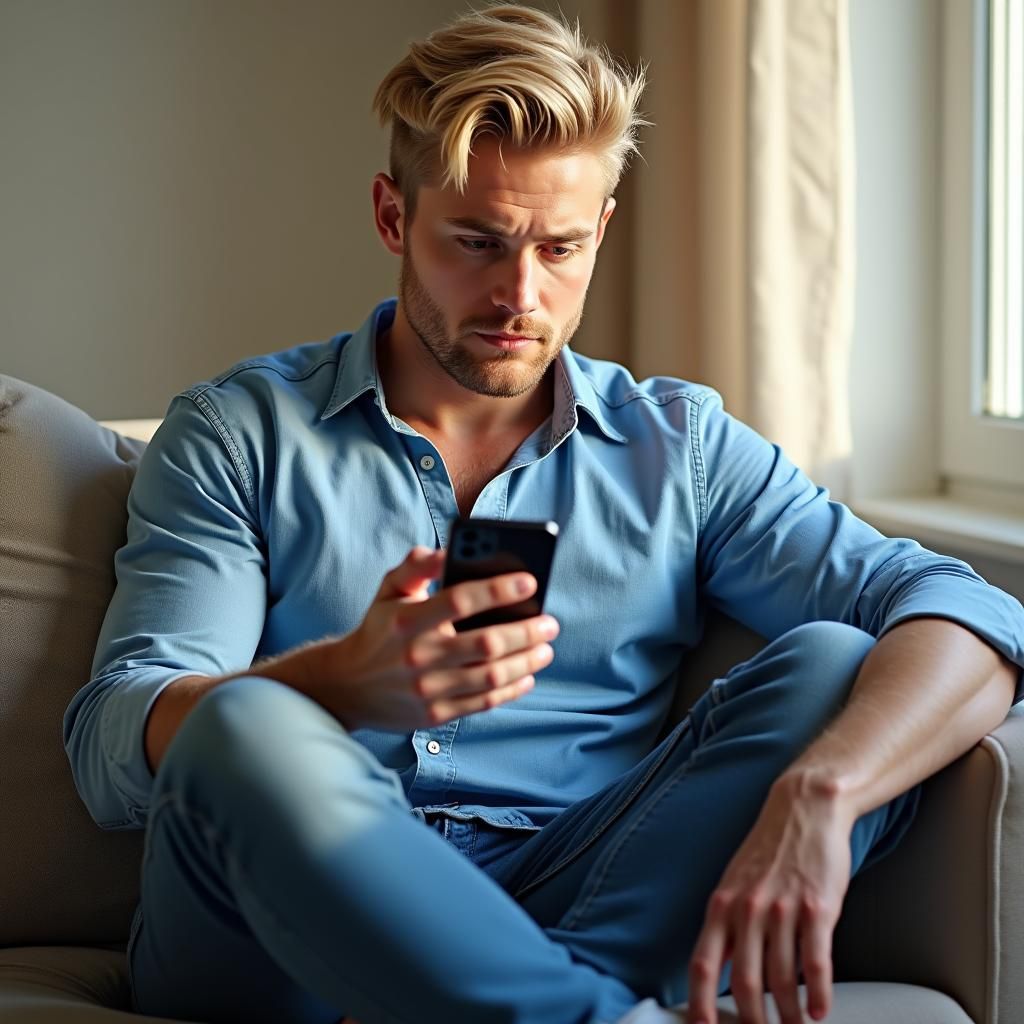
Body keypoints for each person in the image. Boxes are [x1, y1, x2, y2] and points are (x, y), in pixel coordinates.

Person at [63, 5, 1024, 1024]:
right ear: (394, 218)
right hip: (284, 935)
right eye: (476, 242)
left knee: (835, 663)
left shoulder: (681, 447)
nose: (520, 294)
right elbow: (115, 736)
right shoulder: (239, 431)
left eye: (560, 248)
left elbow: (967, 612)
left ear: (602, 229)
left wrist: (820, 795)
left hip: (575, 900)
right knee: (240, 718)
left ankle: (513, 1001)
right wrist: (334, 683)